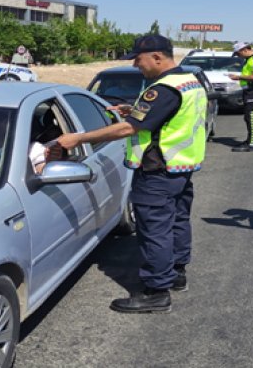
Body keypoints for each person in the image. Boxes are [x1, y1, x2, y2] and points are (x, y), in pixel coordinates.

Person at [56, 34, 207, 314]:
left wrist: (79, 139)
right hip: (181, 169)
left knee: (154, 231)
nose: (138, 66)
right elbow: (168, 119)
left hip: (157, 172)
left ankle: (156, 292)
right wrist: (135, 111)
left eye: (139, 61)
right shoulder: (189, 82)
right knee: (177, 221)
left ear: (158, 57)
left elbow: (128, 129)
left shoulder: (162, 89)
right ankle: (176, 273)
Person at [229, 42, 253, 152]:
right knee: (248, 117)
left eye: (238, 54)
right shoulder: (251, 59)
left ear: (244, 50)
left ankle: (252, 144)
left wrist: (238, 77)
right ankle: (251, 139)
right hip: (250, 91)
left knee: (252, 117)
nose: (238, 57)